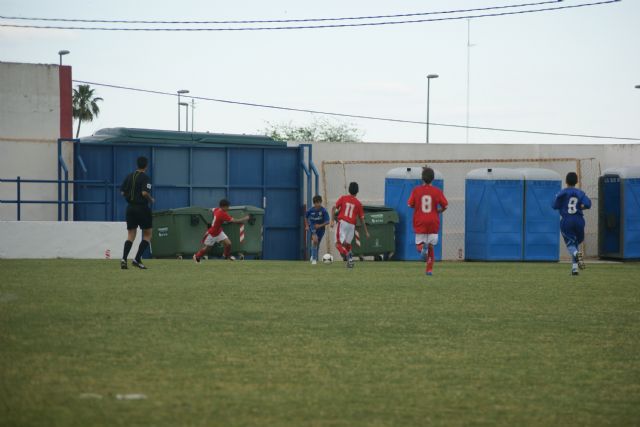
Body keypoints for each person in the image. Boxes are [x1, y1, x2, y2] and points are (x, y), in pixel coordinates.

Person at [407, 167, 448, 276]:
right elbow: (446, 205)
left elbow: (410, 204)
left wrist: (418, 206)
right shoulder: (437, 191)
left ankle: (422, 249)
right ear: (433, 179)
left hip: (420, 220)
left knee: (419, 245)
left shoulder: (416, 190)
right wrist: (439, 210)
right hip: (433, 221)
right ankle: (429, 270)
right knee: (431, 247)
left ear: (422, 178)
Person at [553, 172, 592, 276]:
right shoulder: (580, 193)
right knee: (575, 243)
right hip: (579, 220)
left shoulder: (562, 193)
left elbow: (554, 205)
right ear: (576, 182)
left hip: (567, 220)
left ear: (566, 181)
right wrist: (581, 207)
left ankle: (577, 254)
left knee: (570, 245)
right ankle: (575, 269)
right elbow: (588, 204)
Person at [120, 156, 155, 270]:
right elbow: (145, 193)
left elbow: (122, 192)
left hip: (130, 208)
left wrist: (130, 197)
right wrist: (151, 200)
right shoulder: (145, 177)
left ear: (137, 165)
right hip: (141, 208)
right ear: (146, 166)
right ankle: (137, 259)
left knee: (131, 234)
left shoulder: (129, 176)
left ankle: (124, 259)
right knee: (148, 234)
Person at [193, 199, 250, 263]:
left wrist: (208, 209)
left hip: (219, 231)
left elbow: (212, 209)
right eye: (227, 207)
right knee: (207, 248)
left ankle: (226, 256)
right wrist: (245, 218)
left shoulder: (217, 209)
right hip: (212, 233)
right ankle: (196, 256)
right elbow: (235, 221)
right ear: (223, 207)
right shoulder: (222, 214)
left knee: (228, 244)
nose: (228, 208)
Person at [330, 182, 369, 268]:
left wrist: (332, 221)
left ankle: (348, 256)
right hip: (351, 226)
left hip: (343, 223)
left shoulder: (343, 198)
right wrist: (366, 232)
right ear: (357, 191)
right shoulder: (358, 204)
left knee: (337, 244)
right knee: (347, 245)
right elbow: (362, 219)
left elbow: (333, 208)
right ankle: (350, 261)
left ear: (349, 189)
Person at [305, 195, 330, 265]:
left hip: (321, 229)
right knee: (315, 241)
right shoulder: (310, 210)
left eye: (319, 202)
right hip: (313, 228)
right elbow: (306, 217)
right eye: (317, 203)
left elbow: (327, 221)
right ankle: (314, 259)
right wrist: (307, 226)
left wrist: (319, 225)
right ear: (314, 203)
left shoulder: (323, 211)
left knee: (317, 243)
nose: (318, 204)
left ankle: (313, 255)